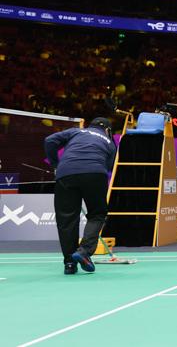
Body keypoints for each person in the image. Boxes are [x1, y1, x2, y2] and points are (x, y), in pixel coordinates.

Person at [44, 117, 117, 274]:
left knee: (66, 220)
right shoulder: (110, 143)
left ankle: (70, 264)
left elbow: (50, 141)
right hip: (95, 173)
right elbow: (108, 166)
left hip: (66, 173)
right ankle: (84, 251)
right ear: (107, 130)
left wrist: (55, 164)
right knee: (97, 214)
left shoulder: (76, 132)